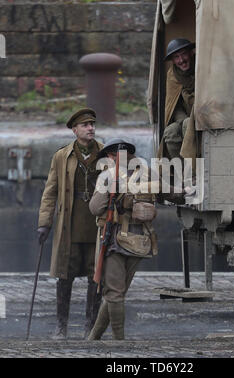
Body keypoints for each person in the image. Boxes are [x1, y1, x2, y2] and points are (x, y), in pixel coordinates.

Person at [37, 108, 104, 339]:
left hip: (97, 226)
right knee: (64, 277)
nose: (90, 128)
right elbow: (50, 192)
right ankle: (61, 325)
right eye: (85, 125)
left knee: (96, 278)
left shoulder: (106, 154)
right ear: (75, 130)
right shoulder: (62, 156)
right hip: (70, 225)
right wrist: (44, 223)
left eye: (92, 124)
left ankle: (91, 326)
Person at [87, 138, 158, 341]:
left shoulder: (109, 175)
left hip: (115, 241)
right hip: (140, 240)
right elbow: (165, 192)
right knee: (115, 294)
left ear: (110, 156)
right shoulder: (148, 172)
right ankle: (94, 337)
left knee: (114, 294)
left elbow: (95, 208)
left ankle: (119, 342)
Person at [158, 38, 196, 160]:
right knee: (170, 131)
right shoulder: (172, 75)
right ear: (173, 60)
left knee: (187, 125)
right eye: (176, 57)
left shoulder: (201, 68)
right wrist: (183, 120)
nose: (181, 60)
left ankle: (194, 170)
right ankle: (182, 172)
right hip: (185, 117)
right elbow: (174, 105)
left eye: (184, 54)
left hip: (202, 115)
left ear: (191, 53)